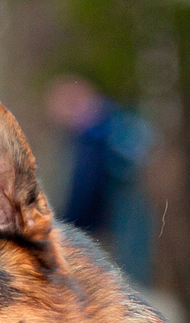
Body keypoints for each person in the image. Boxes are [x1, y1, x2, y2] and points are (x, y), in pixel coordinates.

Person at [44, 75, 155, 284]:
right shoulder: (113, 124)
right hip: (124, 231)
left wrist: (66, 224)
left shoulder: (92, 138)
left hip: (110, 231)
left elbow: (83, 189)